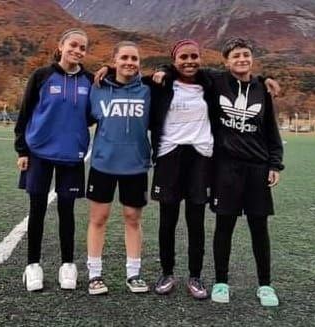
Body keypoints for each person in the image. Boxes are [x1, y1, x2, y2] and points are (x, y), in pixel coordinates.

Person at [14, 28, 93, 291]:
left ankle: (67, 265)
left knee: (67, 211)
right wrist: (22, 150)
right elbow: (25, 113)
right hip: (38, 153)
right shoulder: (42, 76)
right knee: (37, 210)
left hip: (72, 155)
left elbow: (92, 114)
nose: (77, 51)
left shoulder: (90, 80)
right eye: (73, 45)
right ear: (60, 46)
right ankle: (32, 265)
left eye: (83, 47)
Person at [208, 37, 284, 306]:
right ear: (226, 61)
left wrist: (275, 164)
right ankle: (220, 282)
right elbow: (183, 69)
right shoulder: (215, 82)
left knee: (259, 228)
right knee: (224, 226)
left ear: (251, 58)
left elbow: (271, 131)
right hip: (226, 168)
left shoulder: (261, 89)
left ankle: (265, 285)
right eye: (236, 55)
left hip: (257, 168)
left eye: (246, 55)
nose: (242, 59)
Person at [149, 39, 215, 299]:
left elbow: (240, 76)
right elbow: (128, 76)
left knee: (196, 221)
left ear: (200, 58)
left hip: (200, 157)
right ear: (175, 60)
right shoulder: (163, 82)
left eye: (194, 56)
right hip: (169, 156)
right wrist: (107, 71)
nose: (189, 61)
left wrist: (265, 79)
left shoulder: (210, 83)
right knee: (168, 220)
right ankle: (167, 272)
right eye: (183, 57)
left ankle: (195, 276)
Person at [86, 41, 151, 295]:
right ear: (114, 61)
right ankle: (94, 275)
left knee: (133, 219)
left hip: (135, 165)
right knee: (98, 218)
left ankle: (133, 273)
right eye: (124, 57)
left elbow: (172, 72)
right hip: (104, 163)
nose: (129, 62)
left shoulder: (148, 90)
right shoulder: (98, 88)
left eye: (134, 59)